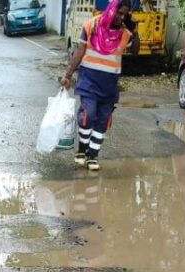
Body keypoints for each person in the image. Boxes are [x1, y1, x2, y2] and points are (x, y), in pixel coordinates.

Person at [59, 0, 138, 171]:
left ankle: (92, 156)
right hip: (89, 81)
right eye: (119, 12)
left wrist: (134, 31)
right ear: (111, 10)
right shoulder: (91, 25)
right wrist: (67, 75)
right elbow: (80, 51)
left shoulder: (124, 33)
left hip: (109, 85)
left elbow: (135, 50)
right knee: (88, 115)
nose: (121, 17)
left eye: (124, 14)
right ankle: (82, 149)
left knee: (102, 121)